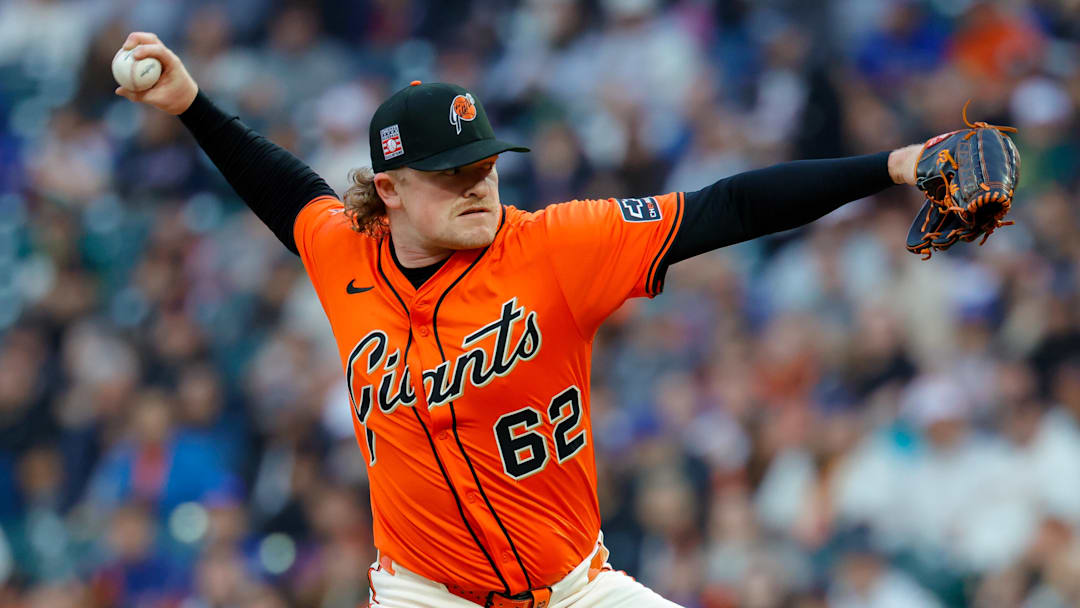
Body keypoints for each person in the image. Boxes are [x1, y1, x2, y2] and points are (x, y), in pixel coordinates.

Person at [115, 31, 926, 608]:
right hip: (425, 596)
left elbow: (730, 204)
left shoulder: (556, 247)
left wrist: (893, 166)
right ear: (390, 189)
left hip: (576, 587)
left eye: (485, 165)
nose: (478, 185)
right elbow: (286, 190)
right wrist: (192, 105)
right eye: (449, 173)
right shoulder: (345, 254)